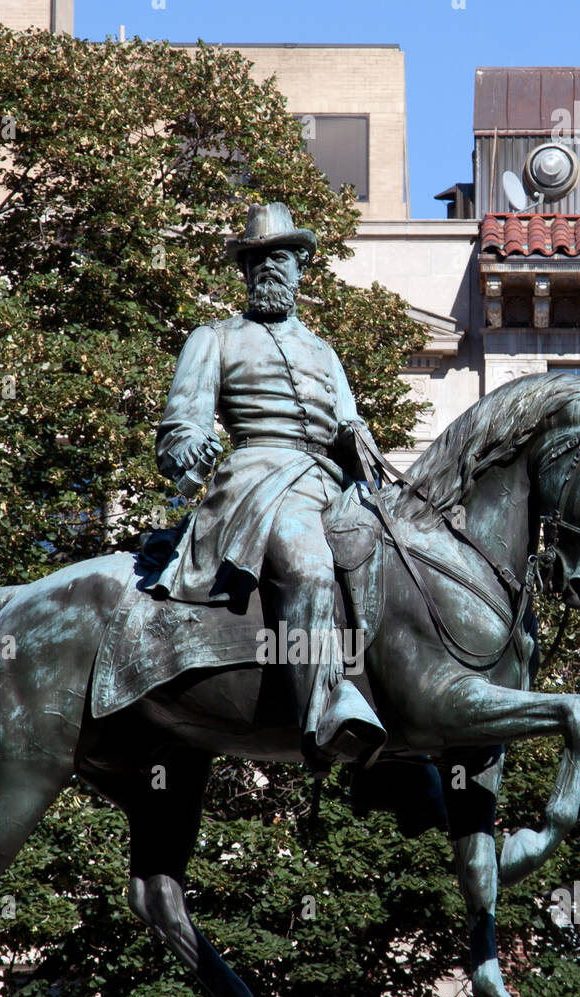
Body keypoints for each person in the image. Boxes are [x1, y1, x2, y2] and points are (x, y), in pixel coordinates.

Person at [142, 202, 388, 768]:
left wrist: (357, 441)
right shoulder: (215, 339)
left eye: (279, 257)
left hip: (331, 484)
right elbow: (180, 428)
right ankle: (324, 708)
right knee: (307, 565)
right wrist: (191, 447)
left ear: (301, 267)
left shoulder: (325, 353)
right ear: (245, 271)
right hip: (259, 482)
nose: (268, 269)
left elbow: (349, 423)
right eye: (256, 260)